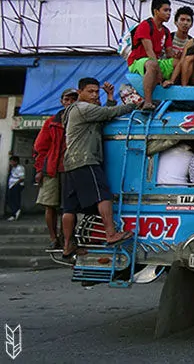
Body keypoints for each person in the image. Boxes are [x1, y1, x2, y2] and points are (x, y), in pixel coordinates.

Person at [61, 78, 139, 261]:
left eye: (97, 92)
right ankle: (111, 234)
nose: (95, 95)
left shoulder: (74, 111)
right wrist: (134, 105)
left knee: (69, 206)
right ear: (80, 92)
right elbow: (109, 113)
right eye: (90, 91)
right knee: (103, 195)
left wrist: (110, 96)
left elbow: (104, 117)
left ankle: (67, 245)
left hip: (71, 162)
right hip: (85, 160)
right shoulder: (83, 108)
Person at [33, 87, 79, 248]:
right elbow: (40, 148)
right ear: (61, 102)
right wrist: (39, 170)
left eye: (73, 99)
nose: (70, 102)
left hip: (71, 168)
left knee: (69, 207)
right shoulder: (51, 122)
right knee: (50, 205)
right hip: (52, 169)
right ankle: (53, 238)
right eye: (67, 99)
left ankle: (66, 238)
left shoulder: (80, 119)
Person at [127, 0, 180, 111]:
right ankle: (148, 101)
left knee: (179, 63)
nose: (169, 13)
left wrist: (181, 55)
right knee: (152, 64)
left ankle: (174, 88)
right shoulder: (145, 25)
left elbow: (170, 53)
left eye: (170, 11)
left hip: (155, 61)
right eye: (165, 10)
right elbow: (149, 51)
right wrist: (159, 73)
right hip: (138, 60)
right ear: (156, 11)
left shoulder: (166, 31)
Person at [5, 156, 24, 221]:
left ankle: (16, 211)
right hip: (11, 185)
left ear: (16, 161)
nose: (11, 163)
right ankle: (15, 212)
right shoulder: (13, 168)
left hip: (16, 185)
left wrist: (15, 184)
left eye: (12, 161)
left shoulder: (20, 168)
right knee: (10, 199)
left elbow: (22, 178)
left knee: (14, 199)